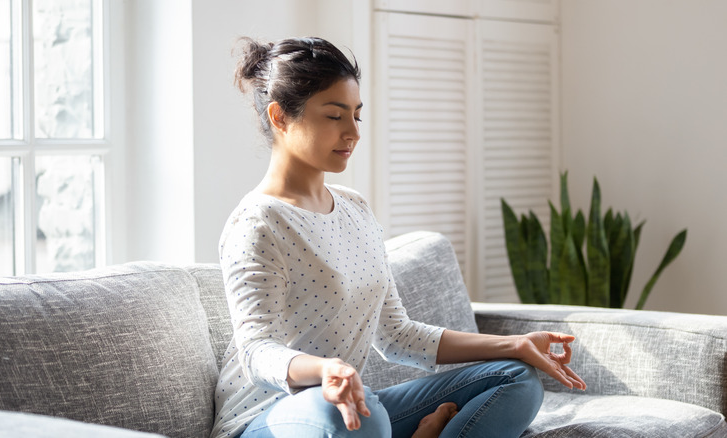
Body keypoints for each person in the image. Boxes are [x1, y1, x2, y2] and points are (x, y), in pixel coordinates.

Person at [212, 36, 586, 438]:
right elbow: (256, 351)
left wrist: (514, 344)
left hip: (352, 410)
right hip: (267, 420)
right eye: (334, 116)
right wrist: (326, 370)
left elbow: (397, 335)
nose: (353, 132)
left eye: (357, 115)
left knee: (516, 378)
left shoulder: (355, 208)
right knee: (356, 413)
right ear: (280, 117)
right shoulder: (258, 222)